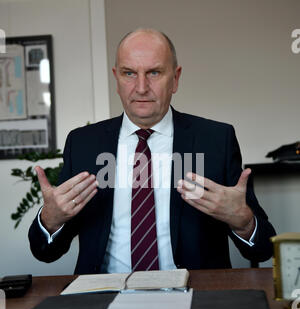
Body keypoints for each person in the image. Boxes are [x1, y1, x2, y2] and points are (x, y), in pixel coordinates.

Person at [29, 28, 276, 274]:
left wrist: (244, 222)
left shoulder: (215, 140)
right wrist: (50, 220)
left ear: (175, 79)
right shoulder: (84, 144)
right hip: (104, 295)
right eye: (129, 73)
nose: (141, 87)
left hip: (194, 297)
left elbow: (263, 249)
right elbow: (46, 253)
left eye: (154, 72)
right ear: (117, 78)